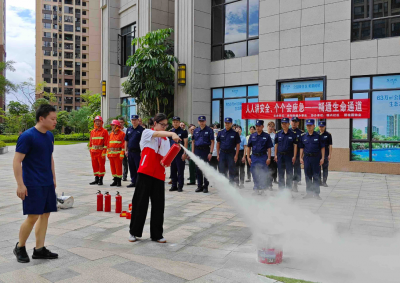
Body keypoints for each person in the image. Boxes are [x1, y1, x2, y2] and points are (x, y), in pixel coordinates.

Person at [13, 104, 59, 263]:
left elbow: (50, 158)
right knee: (33, 216)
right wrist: (20, 184)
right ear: (42, 118)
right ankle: (20, 246)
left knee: (45, 214)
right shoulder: (28, 136)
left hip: (46, 182)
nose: (55, 122)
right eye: (52, 119)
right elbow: (17, 161)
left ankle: (39, 249)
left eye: (55, 119)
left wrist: (53, 178)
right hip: (32, 183)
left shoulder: (49, 136)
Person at [129, 113, 180, 243]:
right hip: (145, 173)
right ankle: (134, 232)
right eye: (162, 124)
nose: (164, 127)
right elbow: (158, 134)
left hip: (159, 175)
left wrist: (166, 161)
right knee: (140, 203)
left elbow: (166, 158)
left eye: (165, 125)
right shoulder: (147, 133)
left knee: (158, 206)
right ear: (155, 124)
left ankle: (157, 234)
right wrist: (172, 133)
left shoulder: (166, 141)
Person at [299, 119, 325, 200]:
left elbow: (322, 148)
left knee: (316, 176)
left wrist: (323, 158)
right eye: (308, 125)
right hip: (306, 158)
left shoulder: (318, 136)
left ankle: (316, 194)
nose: (309, 127)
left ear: (314, 126)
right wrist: (300, 157)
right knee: (308, 176)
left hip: (316, 158)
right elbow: (301, 148)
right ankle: (309, 193)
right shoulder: (303, 136)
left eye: (310, 125)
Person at [246, 120, 273, 195]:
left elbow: (269, 148)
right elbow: (248, 147)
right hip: (254, 156)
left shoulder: (266, 136)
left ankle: (262, 188)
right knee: (254, 172)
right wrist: (248, 157)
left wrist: (269, 158)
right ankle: (256, 187)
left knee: (263, 172)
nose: (257, 127)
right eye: (256, 126)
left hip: (263, 156)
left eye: (259, 126)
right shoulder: (252, 136)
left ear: (262, 126)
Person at [192, 116, 215, 193]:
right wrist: (193, 152)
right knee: (198, 169)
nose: (201, 122)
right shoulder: (196, 130)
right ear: (198, 122)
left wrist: (211, 152)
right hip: (197, 151)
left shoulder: (209, 130)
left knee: (205, 169)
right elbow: (193, 141)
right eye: (200, 121)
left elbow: (212, 142)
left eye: (203, 121)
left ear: (205, 121)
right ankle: (199, 186)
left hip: (206, 151)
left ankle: (205, 186)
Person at [274, 118, 298, 191]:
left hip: (289, 156)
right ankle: (281, 191)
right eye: (282, 123)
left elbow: (295, 146)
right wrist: (275, 155)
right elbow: (276, 145)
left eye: (285, 123)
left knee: (289, 174)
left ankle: (288, 191)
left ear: (288, 124)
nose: (284, 125)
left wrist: (294, 156)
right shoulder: (278, 133)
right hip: (280, 156)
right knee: (281, 173)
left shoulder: (293, 134)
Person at [217, 118, 240, 184]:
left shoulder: (235, 133)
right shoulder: (220, 132)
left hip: (231, 153)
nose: (227, 124)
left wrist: (236, 155)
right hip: (222, 153)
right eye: (226, 123)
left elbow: (238, 144)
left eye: (228, 123)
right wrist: (218, 154)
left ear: (231, 123)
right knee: (222, 169)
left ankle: (231, 184)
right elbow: (218, 143)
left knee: (231, 169)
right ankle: (224, 183)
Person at [169, 117, 188, 192]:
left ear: (179, 122)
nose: (175, 123)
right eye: (174, 122)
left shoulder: (183, 131)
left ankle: (180, 186)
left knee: (180, 171)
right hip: (172, 154)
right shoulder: (171, 131)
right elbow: (169, 143)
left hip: (180, 154)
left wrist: (184, 153)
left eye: (176, 122)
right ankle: (174, 185)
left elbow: (185, 143)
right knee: (172, 170)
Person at [125, 115, 144, 188]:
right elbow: (126, 140)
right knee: (131, 167)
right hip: (130, 152)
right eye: (132, 120)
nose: (134, 121)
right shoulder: (129, 129)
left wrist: (142, 151)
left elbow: (143, 142)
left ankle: (139, 182)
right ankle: (133, 181)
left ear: (138, 121)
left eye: (135, 120)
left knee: (138, 167)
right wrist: (125, 150)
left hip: (138, 152)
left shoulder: (141, 130)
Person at [89, 116, 109, 186]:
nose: (97, 122)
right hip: (93, 151)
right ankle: (96, 178)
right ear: (94, 122)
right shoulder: (92, 132)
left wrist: (104, 151)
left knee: (101, 165)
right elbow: (90, 142)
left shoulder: (104, 131)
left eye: (99, 121)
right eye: (96, 121)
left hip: (100, 151)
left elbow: (106, 142)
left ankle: (101, 179)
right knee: (94, 165)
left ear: (101, 122)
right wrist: (90, 150)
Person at [107, 120, 126, 187]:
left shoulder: (122, 134)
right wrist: (108, 152)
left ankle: (119, 181)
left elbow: (124, 144)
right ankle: (115, 180)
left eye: (113, 125)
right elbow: (108, 144)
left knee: (118, 168)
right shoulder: (111, 134)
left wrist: (122, 153)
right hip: (111, 154)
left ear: (117, 126)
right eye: (112, 125)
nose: (112, 127)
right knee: (113, 168)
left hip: (118, 154)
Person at [290, 117, 304, 192]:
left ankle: (295, 185)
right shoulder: (287, 131)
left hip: (297, 155)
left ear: (298, 123)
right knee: (289, 170)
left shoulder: (301, 133)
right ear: (290, 122)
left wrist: (301, 156)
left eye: (295, 122)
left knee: (296, 169)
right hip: (288, 154)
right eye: (293, 121)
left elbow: (302, 145)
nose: (294, 123)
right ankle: (289, 185)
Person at [318, 121, 333, 187]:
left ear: (325, 127)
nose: (321, 128)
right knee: (317, 168)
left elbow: (330, 145)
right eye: (320, 126)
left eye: (322, 126)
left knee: (325, 168)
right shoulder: (316, 134)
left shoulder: (328, 135)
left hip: (326, 153)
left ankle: (324, 181)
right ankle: (319, 181)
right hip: (318, 154)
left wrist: (330, 154)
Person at [267, 122, 277, 190]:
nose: (271, 128)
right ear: (267, 126)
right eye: (270, 126)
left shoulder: (275, 136)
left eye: (272, 126)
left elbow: (276, 146)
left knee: (271, 170)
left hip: (272, 155)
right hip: (264, 155)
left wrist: (276, 155)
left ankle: (270, 185)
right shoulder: (263, 134)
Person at [118, 117, 129, 182]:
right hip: (117, 149)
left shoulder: (127, 130)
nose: (120, 123)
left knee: (124, 163)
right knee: (118, 163)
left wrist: (126, 149)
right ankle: (117, 176)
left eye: (121, 122)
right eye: (119, 122)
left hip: (124, 149)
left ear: (124, 123)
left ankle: (124, 176)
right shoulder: (116, 130)